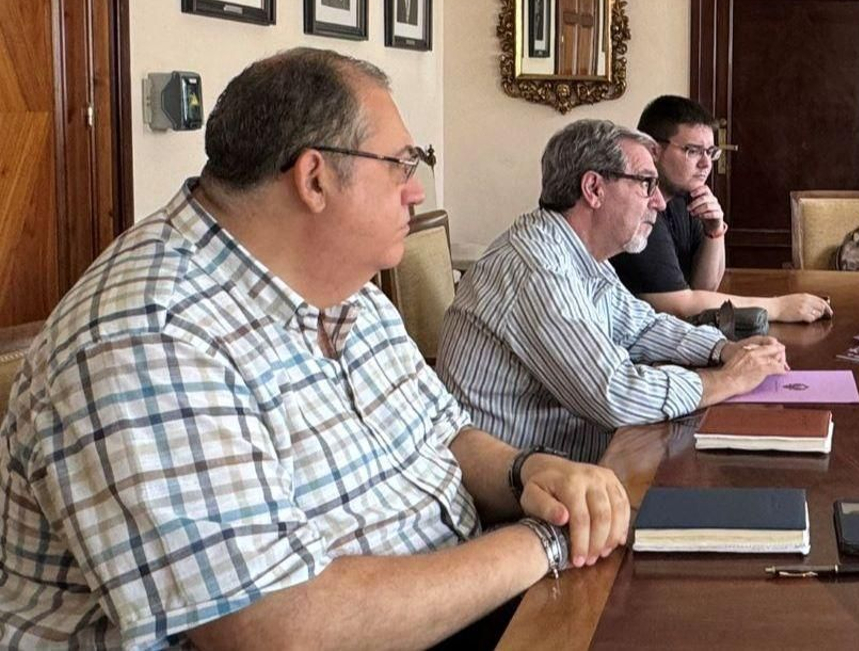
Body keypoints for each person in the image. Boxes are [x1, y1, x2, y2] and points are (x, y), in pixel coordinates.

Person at [0, 48, 630, 649]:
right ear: (315, 177)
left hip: (455, 607)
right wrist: (544, 540)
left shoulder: (344, 287)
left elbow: (446, 438)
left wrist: (531, 472)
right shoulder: (149, 336)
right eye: (402, 165)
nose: (415, 190)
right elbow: (279, 625)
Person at [436, 119, 792, 464]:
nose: (660, 203)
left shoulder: (581, 252)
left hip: (577, 462)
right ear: (593, 189)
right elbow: (616, 394)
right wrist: (727, 379)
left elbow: (641, 327)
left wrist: (723, 349)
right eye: (646, 184)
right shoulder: (537, 270)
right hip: (524, 492)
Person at [611, 95, 831, 323]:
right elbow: (678, 305)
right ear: (654, 150)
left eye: (711, 152)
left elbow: (704, 288)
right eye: (693, 151)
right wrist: (777, 307)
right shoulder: (637, 205)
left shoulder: (685, 196)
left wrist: (714, 231)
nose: (706, 164)